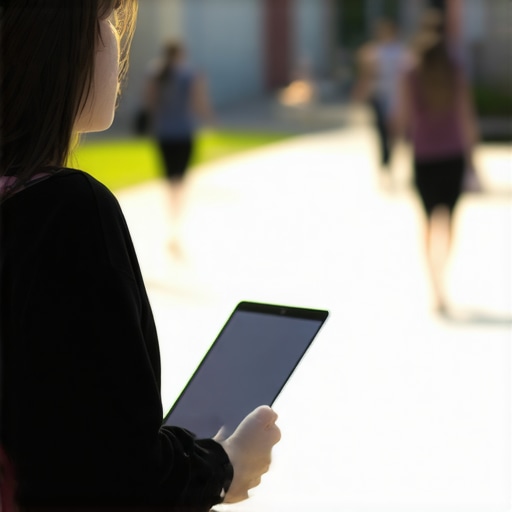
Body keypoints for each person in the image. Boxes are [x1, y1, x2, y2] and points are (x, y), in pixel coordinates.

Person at [0, 1, 280, 510]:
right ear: (56, 42)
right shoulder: (65, 212)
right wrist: (224, 465)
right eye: (105, 20)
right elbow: (112, 472)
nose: (116, 42)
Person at [393, 27, 479, 314]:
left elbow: (402, 116)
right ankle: (442, 277)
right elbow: (467, 117)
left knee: (428, 224)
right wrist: (472, 162)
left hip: (425, 156)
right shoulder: (455, 71)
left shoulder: (410, 73)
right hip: (452, 156)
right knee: (450, 223)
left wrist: (392, 154)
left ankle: (435, 286)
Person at [143, 40, 214, 255]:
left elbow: (149, 103)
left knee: (169, 181)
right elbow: (198, 103)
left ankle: (171, 223)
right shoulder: (189, 74)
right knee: (180, 182)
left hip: (164, 134)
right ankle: (176, 225)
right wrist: (211, 119)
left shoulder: (155, 73)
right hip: (183, 133)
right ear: (181, 54)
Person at [351, 18, 411, 189]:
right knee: (384, 135)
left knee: (393, 136)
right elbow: (367, 75)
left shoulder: (401, 52)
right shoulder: (375, 52)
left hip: (397, 98)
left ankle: (389, 166)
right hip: (380, 97)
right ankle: (386, 168)